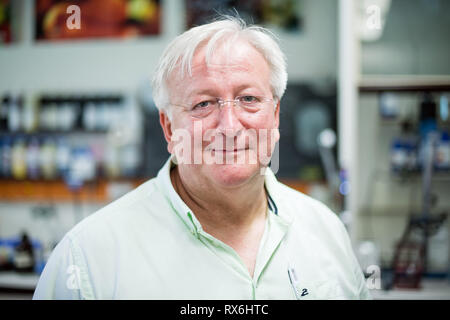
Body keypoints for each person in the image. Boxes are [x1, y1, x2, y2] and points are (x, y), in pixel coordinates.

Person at [33, 16, 371, 300]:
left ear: (276, 116)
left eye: (249, 98)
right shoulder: (88, 260)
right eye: (203, 104)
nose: (229, 126)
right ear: (168, 128)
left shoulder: (326, 231)